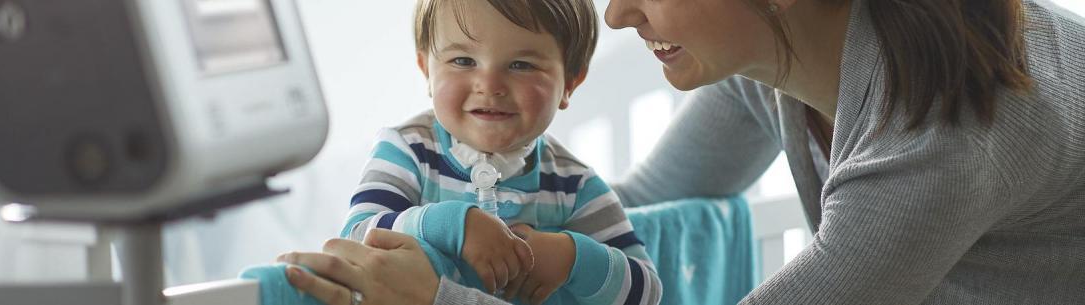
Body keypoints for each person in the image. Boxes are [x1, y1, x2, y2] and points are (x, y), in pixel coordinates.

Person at [279, 0, 1085, 304]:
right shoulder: (771, 68)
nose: (621, 12)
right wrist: (497, 234)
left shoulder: (945, 136)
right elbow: (624, 216)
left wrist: (441, 300)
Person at [330, 0, 660, 304]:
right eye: (463, 60)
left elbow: (648, 292)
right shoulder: (408, 150)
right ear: (427, 70)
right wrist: (447, 225)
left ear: (570, 82)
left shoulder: (573, 184)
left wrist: (572, 259)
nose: (489, 84)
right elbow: (355, 240)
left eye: (521, 64)